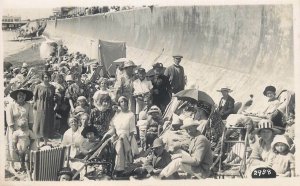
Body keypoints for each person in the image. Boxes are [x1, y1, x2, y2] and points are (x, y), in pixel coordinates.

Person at [103, 96, 139, 177]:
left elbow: (132, 131)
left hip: (128, 138)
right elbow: (113, 128)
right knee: (118, 141)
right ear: (119, 104)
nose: (124, 103)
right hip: (117, 137)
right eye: (121, 102)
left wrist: (129, 141)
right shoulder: (117, 115)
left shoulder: (131, 114)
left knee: (120, 142)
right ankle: (119, 168)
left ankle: (119, 168)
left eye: (125, 101)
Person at [6, 88, 34, 171]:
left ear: (25, 96)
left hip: (25, 129)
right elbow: (9, 119)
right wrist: (12, 130)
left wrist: (30, 130)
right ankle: (12, 164)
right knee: (13, 145)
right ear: (16, 96)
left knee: (25, 146)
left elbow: (31, 118)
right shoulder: (11, 105)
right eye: (20, 95)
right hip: (14, 128)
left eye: (23, 95)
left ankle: (26, 164)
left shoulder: (28, 105)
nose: (21, 96)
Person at [32, 71, 56, 146]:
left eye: (48, 77)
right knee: (39, 123)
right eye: (45, 77)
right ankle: (38, 143)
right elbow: (34, 97)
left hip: (49, 107)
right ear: (43, 78)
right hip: (40, 106)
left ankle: (45, 142)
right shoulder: (38, 86)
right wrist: (35, 105)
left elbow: (53, 97)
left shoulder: (52, 87)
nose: (47, 79)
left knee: (47, 123)